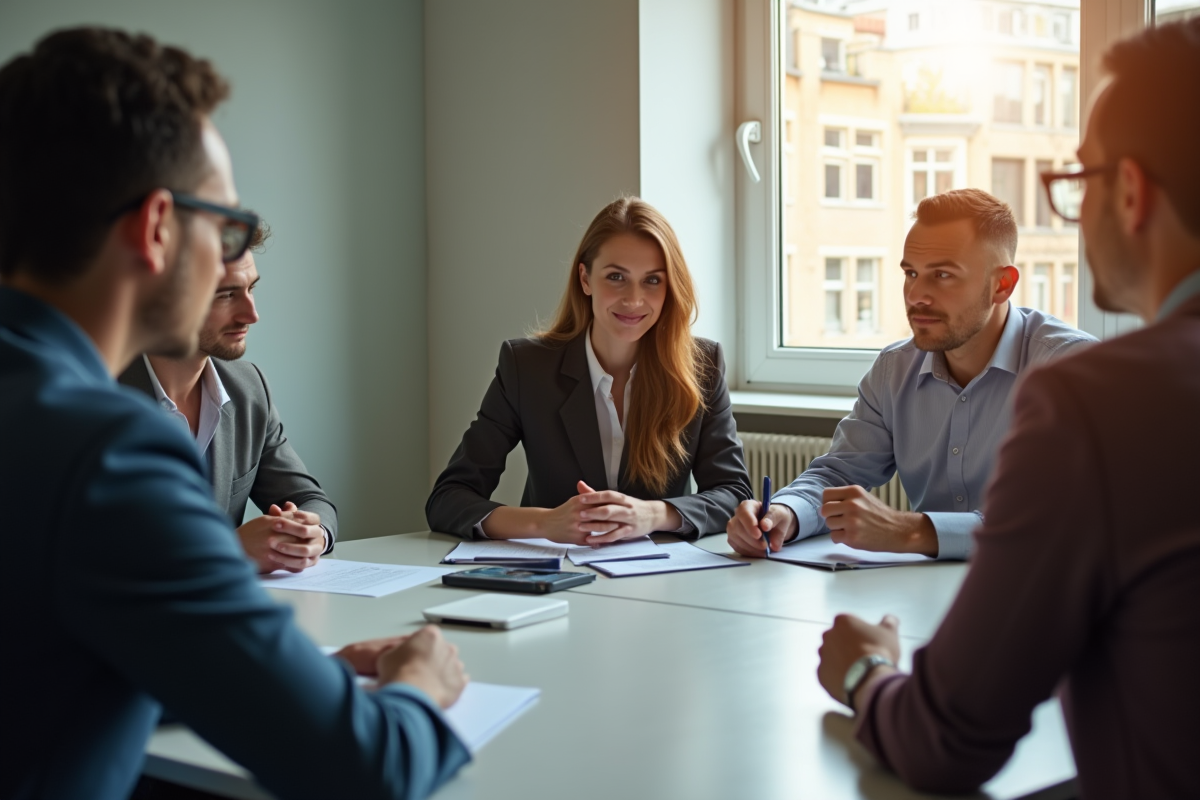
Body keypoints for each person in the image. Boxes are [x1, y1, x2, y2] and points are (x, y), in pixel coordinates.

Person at [0, 28, 469, 800]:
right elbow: (368, 770)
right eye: (226, 226)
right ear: (155, 229)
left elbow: (43, 679)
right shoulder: (107, 452)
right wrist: (419, 682)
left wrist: (288, 680)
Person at [816, 18, 1200, 799]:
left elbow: (946, 739)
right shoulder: (898, 370)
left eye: (1078, 182)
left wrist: (865, 670)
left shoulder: (1098, 396)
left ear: (1128, 193)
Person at [727, 188, 1094, 561]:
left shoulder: (1073, 370)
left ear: (1002, 284)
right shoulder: (894, 369)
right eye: (911, 273)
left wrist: (913, 531)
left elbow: (1064, 517)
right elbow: (837, 475)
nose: (916, 294)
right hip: (926, 592)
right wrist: (783, 514)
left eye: (943, 275)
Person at [427, 197, 752, 542]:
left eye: (652, 281)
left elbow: (734, 493)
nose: (633, 299)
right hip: (553, 578)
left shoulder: (702, 366)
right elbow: (448, 499)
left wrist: (653, 514)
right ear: (585, 278)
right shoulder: (526, 368)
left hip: (659, 580)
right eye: (616, 277)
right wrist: (545, 523)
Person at [119, 221, 337, 574]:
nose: (251, 314)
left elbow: (310, 500)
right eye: (225, 295)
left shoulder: (248, 387)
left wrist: (311, 533)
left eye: (251, 289)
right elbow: (78, 555)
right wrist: (229, 549)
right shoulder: (91, 397)